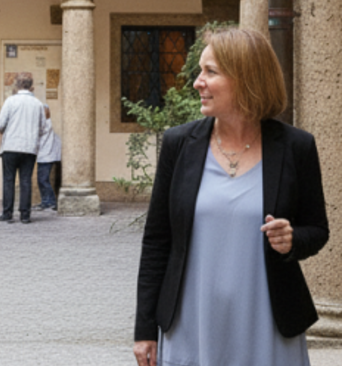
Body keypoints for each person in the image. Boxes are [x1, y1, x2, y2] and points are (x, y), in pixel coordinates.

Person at [133, 28, 329, 366]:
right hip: (191, 323)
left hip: (268, 325)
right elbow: (157, 241)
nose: (197, 82)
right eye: (200, 71)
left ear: (246, 78)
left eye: (210, 72)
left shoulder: (296, 147)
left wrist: (292, 239)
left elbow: (317, 229)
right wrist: (144, 328)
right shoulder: (179, 144)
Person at [0, 72, 46, 224]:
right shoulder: (38, 104)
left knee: (8, 180)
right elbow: (43, 128)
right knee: (26, 180)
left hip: (10, 146)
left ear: (16, 86)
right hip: (29, 148)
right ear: (31, 87)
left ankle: (7, 213)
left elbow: (0, 124)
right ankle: (25, 215)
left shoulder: (10, 101)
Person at [36, 104, 60, 212]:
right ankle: (46, 202)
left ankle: (50, 202)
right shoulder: (44, 124)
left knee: (43, 180)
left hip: (46, 156)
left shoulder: (45, 124)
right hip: (45, 155)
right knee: (42, 180)